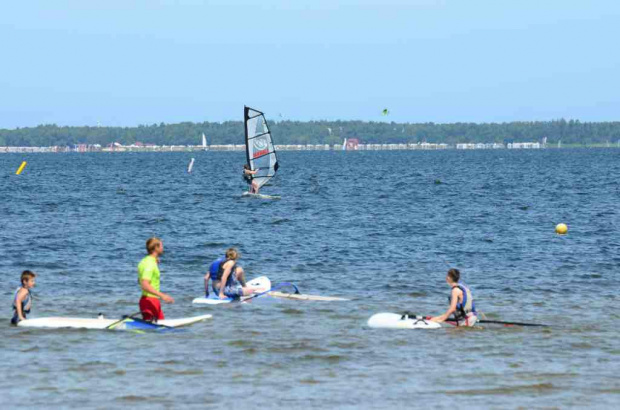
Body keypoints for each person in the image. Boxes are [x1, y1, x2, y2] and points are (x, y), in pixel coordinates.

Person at [138, 237, 174, 322]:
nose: (163, 248)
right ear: (156, 248)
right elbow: (144, 284)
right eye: (161, 246)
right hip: (149, 302)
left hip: (149, 300)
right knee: (154, 330)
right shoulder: (150, 263)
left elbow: (139, 280)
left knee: (159, 331)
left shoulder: (144, 261)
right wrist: (163, 295)